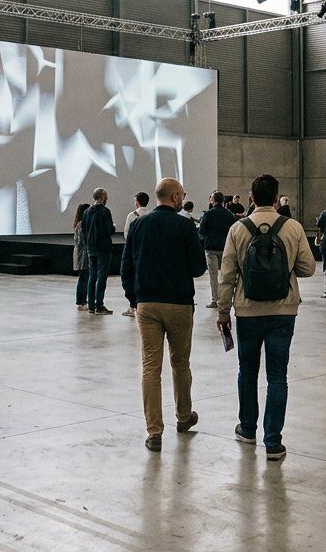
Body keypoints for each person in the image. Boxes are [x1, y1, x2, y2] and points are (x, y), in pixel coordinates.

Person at [216, 174, 314, 461]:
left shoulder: (238, 228)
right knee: (277, 376)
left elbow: (227, 275)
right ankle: (273, 442)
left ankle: (247, 428)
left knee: (247, 371)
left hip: (247, 311)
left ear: (250, 198)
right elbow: (308, 268)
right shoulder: (292, 227)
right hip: (284, 311)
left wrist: (223, 312)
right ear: (276, 198)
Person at [121, 177, 206, 452]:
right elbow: (198, 268)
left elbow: (126, 267)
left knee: (150, 368)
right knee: (180, 364)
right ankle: (183, 416)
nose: (183, 198)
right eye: (182, 194)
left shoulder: (138, 225)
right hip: (179, 303)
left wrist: (134, 299)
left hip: (147, 305)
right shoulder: (185, 226)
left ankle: (154, 431)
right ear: (175, 198)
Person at [81, 188, 116, 315]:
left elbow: (83, 230)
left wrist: (87, 245)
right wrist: (113, 227)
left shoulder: (86, 212)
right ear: (102, 197)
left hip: (91, 247)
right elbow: (108, 230)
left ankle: (91, 305)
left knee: (92, 276)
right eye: (105, 196)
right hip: (103, 247)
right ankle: (99, 305)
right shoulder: (105, 212)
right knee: (101, 277)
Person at [198, 192, 235, 309]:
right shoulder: (229, 214)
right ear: (223, 201)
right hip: (225, 247)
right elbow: (233, 231)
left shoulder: (208, 214)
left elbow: (202, 232)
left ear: (212, 201)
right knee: (226, 275)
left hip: (211, 248)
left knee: (213, 276)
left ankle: (215, 300)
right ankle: (226, 299)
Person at [72, 203, 91, 311]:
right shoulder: (81, 225)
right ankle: (81, 302)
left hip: (81, 254)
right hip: (82, 254)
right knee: (83, 278)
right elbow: (82, 241)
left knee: (84, 278)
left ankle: (83, 300)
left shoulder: (79, 224)